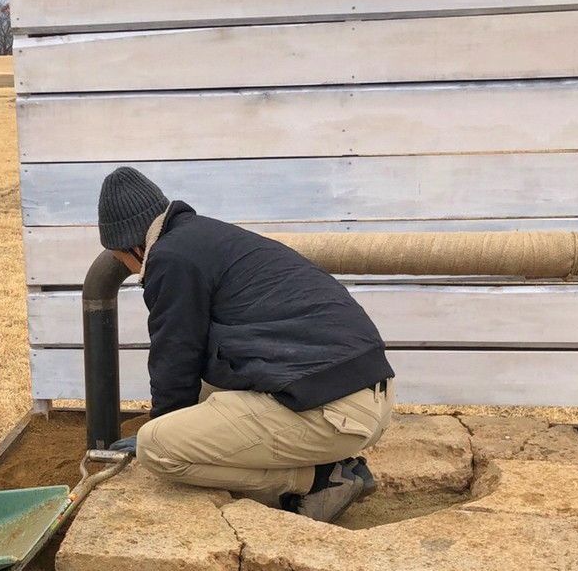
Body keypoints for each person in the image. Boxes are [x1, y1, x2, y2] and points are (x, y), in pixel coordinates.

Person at [99, 166, 395, 523]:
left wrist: (160, 430)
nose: (126, 268)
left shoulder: (169, 258)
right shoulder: (206, 236)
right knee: (203, 400)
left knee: (158, 448)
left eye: (120, 260)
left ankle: (319, 479)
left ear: (132, 246)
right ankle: (329, 461)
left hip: (335, 412)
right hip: (364, 395)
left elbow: (175, 355)